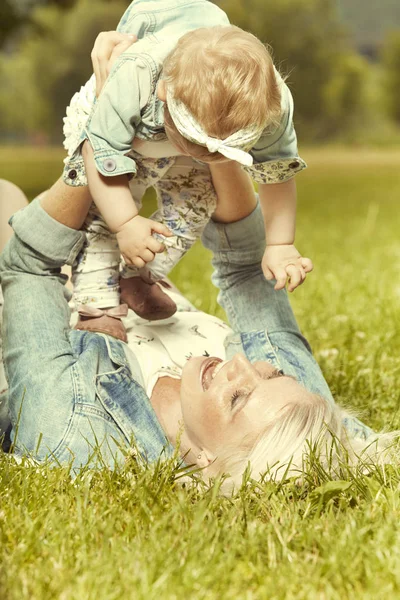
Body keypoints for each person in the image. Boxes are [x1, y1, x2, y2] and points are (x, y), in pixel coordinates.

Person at [0, 178, 394, 492]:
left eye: (238, 397)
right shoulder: (300, 410)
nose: (240, 364)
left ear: (208, 459)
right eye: (271, 373)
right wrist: (217, 145)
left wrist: (98, 142)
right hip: (115, 267)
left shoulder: (75, 429)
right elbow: (243, 264)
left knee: (5, 197)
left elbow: (29, 265)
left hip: (44, 299)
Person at [63, 0, 312, 341]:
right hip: (113, 131)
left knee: (198, 199)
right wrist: (126, 224)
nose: (208, 155)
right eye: (200, 144)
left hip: (170, 123)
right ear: (166, 93)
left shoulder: (270, 102)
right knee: (110, 204)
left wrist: (281, 243)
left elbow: (278, 173)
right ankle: (97, 299)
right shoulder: (137, 74)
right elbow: (98, 151)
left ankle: (139, 276)